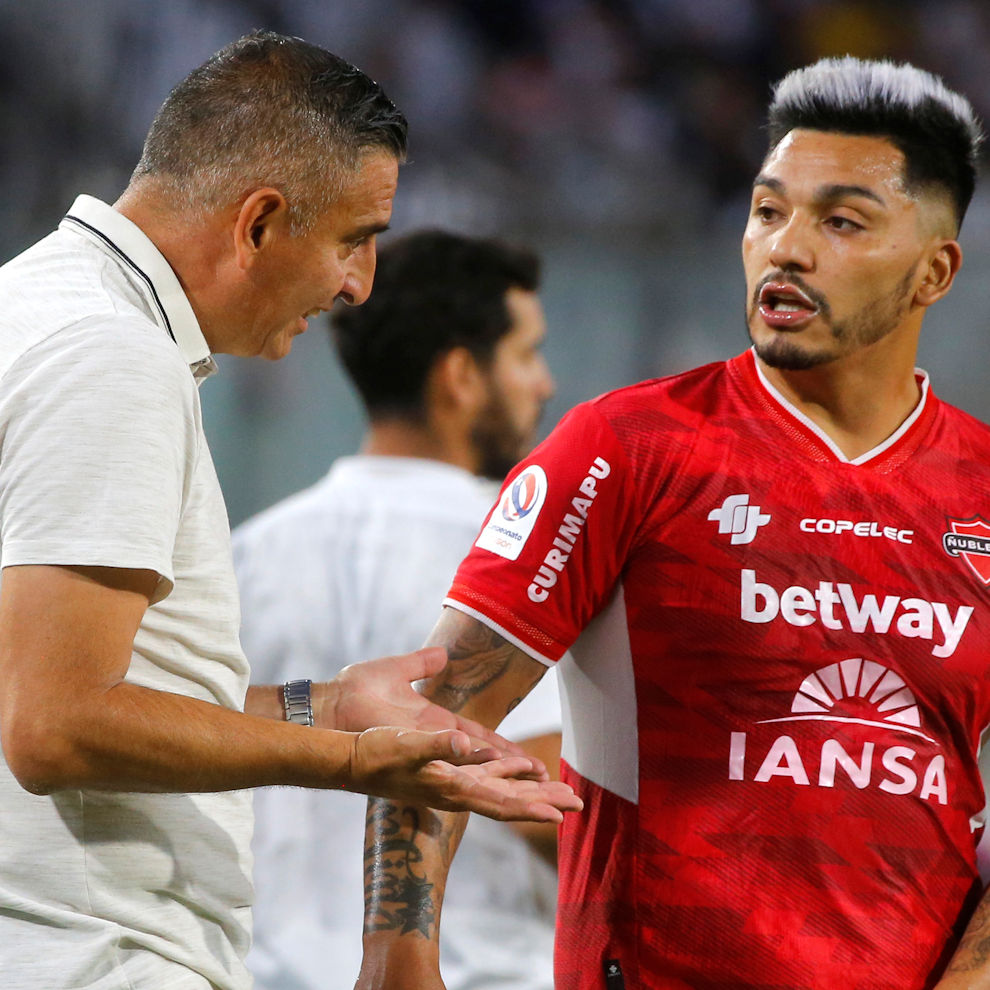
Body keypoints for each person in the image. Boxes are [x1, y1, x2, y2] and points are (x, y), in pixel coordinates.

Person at [357, 56, 990, 990]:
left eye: (841, 222)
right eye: (767, 211)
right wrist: (397, 959)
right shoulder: (627, 447)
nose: (786, 249)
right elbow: (440, 711)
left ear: (935, 270)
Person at [0, 32, 579, 990]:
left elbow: (66, 688)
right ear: (259, 223)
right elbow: (54, 724)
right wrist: (352, 762)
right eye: (354, 237)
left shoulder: (31, 308)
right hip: (92, 955)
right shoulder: (113, 356)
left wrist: (327, 709)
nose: (359, 283)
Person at [233, 229, 562, 990]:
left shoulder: (245, 553)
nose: (544, 384)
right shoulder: (525, 554)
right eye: (526, 355)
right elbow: (546, 795)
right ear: (461, 376)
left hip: (268, 970)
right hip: (476, 973)